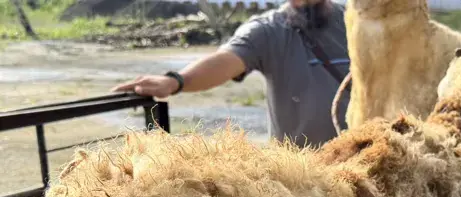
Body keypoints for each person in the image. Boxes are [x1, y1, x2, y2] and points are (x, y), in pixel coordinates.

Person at [112, 0, 350, 148]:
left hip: (361, 160)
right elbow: (225, 61)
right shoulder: (268, 30)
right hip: (305, 172)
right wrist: (176, 80)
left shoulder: (355, 22)